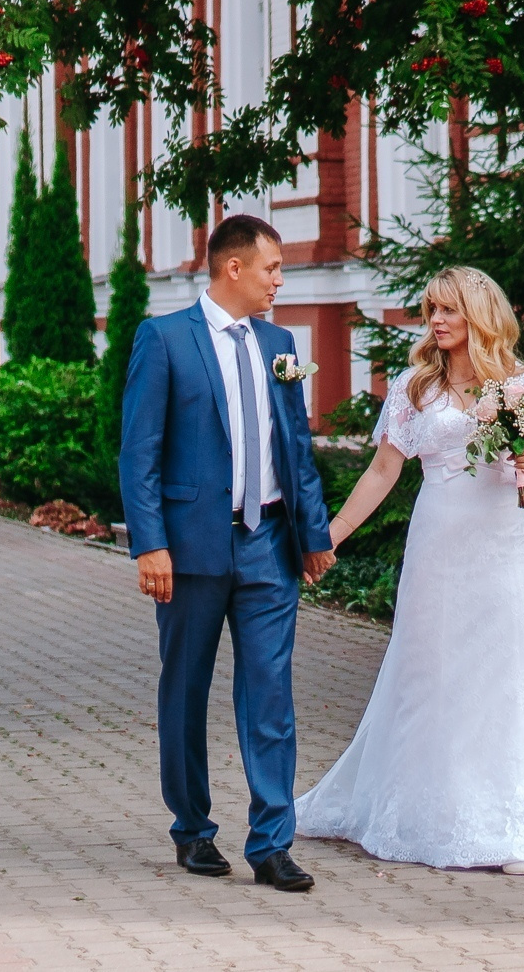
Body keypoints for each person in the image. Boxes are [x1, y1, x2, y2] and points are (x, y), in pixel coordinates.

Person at [294, 266, 524, 875]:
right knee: (431, 676)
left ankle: (514, 830)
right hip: (439, 546)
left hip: (505, 549)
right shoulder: (416, 388)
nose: (437, 321)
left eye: (450, 310)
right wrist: (326, 537)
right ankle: (423, 816)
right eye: (431, 310)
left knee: (503, 679)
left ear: (480, 315)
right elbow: (383, 472)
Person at [120, 214, 337, 893]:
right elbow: (139, 453)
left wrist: (316, 533)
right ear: (233, 268)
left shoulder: (280, 342)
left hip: (270, 545)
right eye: (273, 267)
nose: (281, 279)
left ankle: (272, 843)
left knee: (271, 696)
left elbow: (295, 447)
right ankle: (191, 827)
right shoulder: (164, 340)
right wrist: (150, 543)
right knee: (185, 689)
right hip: (190, 550)